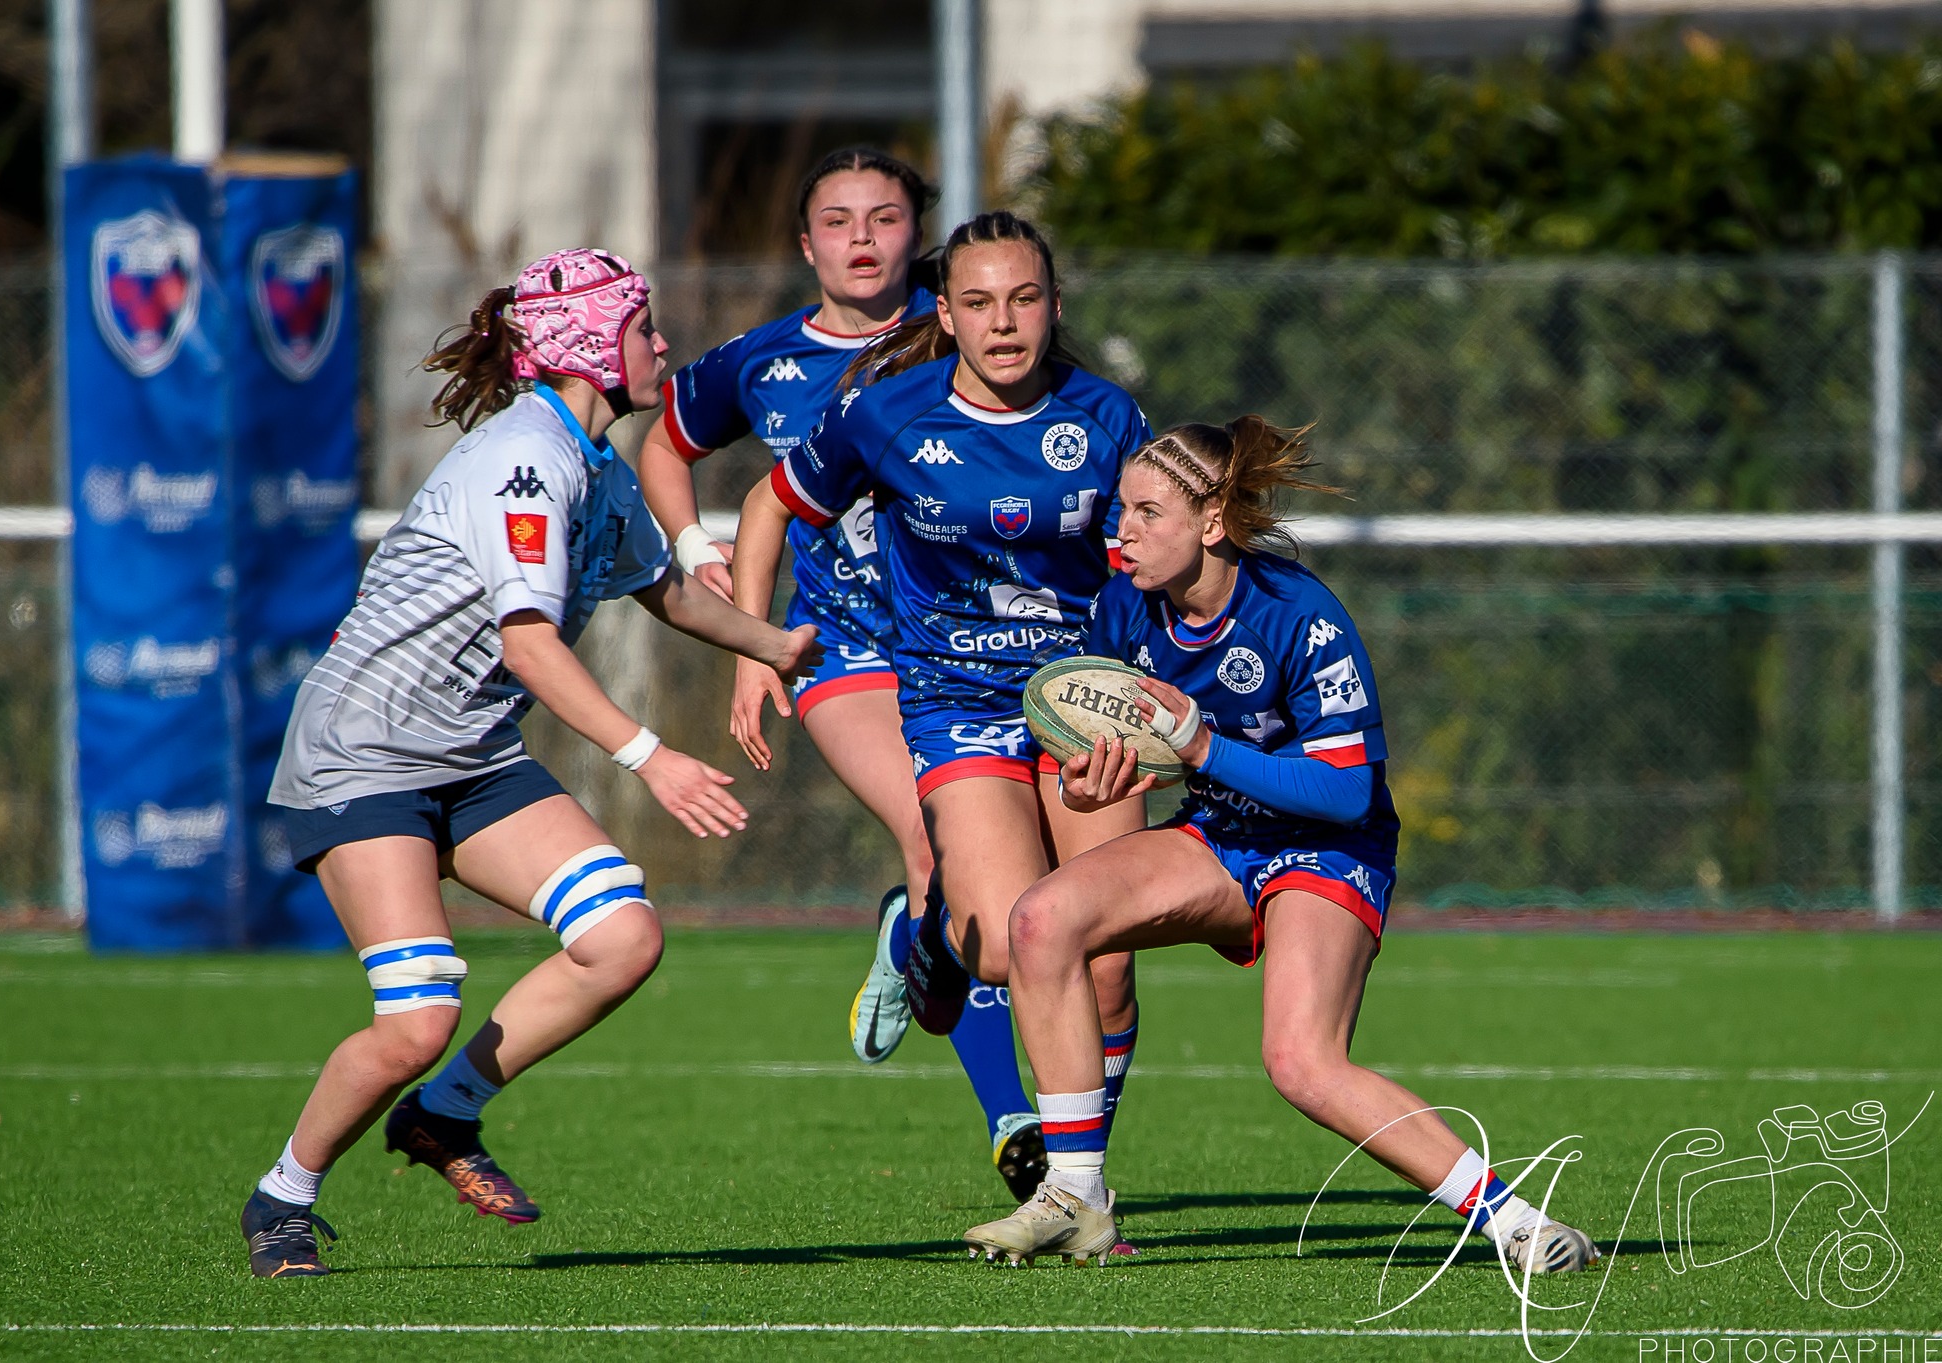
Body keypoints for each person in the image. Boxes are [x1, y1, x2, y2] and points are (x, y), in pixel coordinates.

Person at [239, 249, 821, 1278]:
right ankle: (282, 1196)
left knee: (621, 937)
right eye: (643, 329)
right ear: (592, 350)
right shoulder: (526, 460)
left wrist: (771, 645)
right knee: (418, 1017)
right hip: (364, 753)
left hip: (468, 752)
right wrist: (650, 756)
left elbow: (665, 591)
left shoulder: (594, 463)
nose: (662, 345)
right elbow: (530, 646)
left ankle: (443, 1115)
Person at [962, 417, 1602, 1273]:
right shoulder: (1122, 607)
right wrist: (1090, 784)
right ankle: (1076, 1195)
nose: (1124, 531)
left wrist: (1203, 749)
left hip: (1329, 850)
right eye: (1121, 510)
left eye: (1148, 513)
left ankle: (1516, 1222)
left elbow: (1347, 792)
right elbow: (1125, 755)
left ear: (1212, 522)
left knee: (1301, 1061)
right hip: (1221, 836)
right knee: (1040, 920)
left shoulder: (1298, 613)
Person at [641, 151, 1052, 1200]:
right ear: (804, 243)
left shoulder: (963, 330)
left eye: (884, 217)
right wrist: (718, 589)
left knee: (1011, 895)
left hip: (980, 649)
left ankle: (911, 930)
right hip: (845, 648)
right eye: (837, 219)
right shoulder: (764, 359)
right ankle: (1015, 1123)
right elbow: (666, 448)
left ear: (920, 236)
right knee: (934, 832)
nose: (861, 238)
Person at [732, 210, 1152, 1208]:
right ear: (947, 315)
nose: (1003, 322)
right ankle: (924, 934)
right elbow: (767, 504)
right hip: (953, 696)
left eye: (1024, 299)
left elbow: (1147, 563)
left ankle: (1074, 1189)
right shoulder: (885, 413)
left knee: (1105, 962)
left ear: (1054, 306)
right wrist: (752, 651)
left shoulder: (1105, 416)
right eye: (978, 302)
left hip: (1083, 697)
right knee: (1005, 944)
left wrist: (1157, 688)